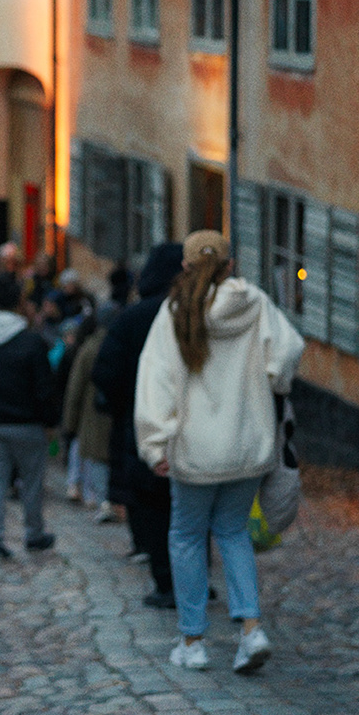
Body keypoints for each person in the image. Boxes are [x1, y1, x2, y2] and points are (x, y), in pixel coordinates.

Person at [135, 231, 304, 673]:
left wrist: (155, 443)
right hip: (248, 445)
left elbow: (156, 381)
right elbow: (288, 350)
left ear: (185, 267)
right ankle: (251, 629)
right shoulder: (256, 303)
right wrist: (274, 381)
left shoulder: (175, 312)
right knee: (232, 533)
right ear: (231, 265)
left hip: (194, 451)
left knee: (187, 537)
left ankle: (193, 640)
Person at [94, 243, 187, 609]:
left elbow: (106, 370)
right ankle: (192, 579)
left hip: (141, 423)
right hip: (188, 423)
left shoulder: (132, 318)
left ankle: (166, 580)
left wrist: (125, 403)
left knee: (152, 504)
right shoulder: (190, 315)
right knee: (190, 508)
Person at [0, 273, 59, 558]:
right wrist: (50, 421)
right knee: (32, 483)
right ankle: (34, 533)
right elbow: (44, 387)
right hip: (27, 422)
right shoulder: (31, 341)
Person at [62, 311, 118, 522]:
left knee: (97, 460)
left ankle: (102, 501)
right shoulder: (120, 343)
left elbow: (75, 389)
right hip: (113, 413)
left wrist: (70, 423)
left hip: (94, 415)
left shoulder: (89, 348)